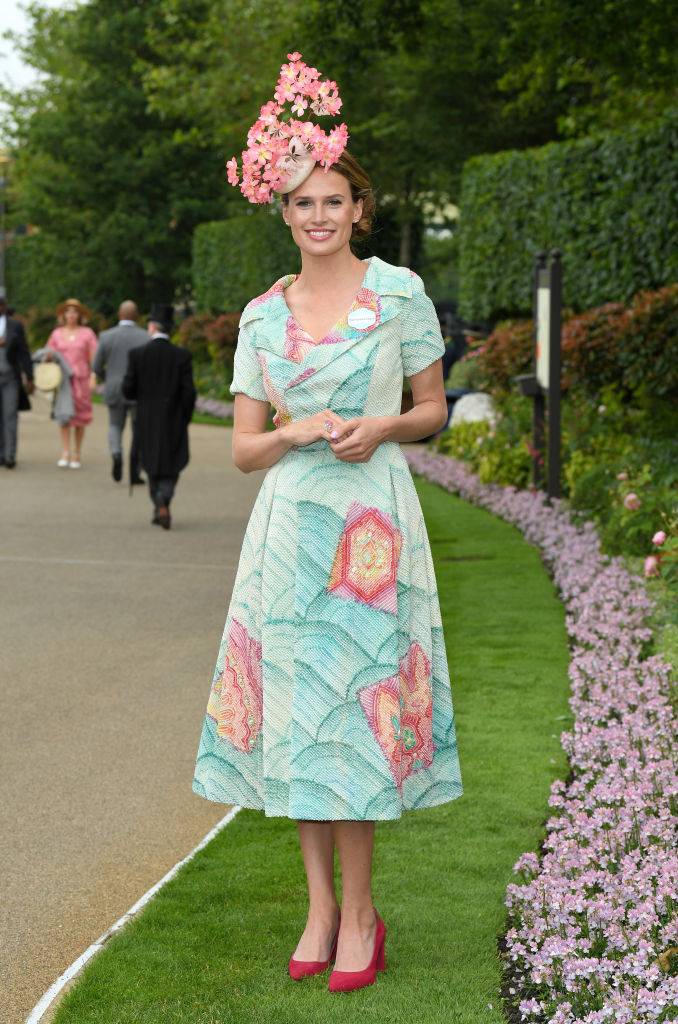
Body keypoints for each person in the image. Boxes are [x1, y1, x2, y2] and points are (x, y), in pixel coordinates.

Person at [192, 52, 463, 994]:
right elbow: (242, 450)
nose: (317, 216)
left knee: (356, 717)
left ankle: (360, 914)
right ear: (284, 211)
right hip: (291, 532)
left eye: (332, 201)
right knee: (302, 722)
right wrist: (298, 430)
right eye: (302, 203)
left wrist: (383, 424)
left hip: (373, 533)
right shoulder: (263, 317)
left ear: (358, 208)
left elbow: (434, 409)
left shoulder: (401, 295)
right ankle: (317, 907)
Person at [122, 303, 196, 529]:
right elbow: (189, 392)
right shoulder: (181, 356)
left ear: (152, 326)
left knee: (150, 461)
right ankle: (165, 497)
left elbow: (128, 389)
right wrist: (184, 416)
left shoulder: (138, 354)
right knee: (173, 461)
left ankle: (159, 500)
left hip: (146, 417)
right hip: (173, 416)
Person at [93, 300, 148, 484]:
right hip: (138, 389)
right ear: (137, 316)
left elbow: (96, 366)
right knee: (138, 430)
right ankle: (135, 471)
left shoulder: (106, 336)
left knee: (115, 425)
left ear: (119, 314)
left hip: (114, 387)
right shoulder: (145, 337)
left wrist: (107, 378)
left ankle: (116, 453)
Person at [45, 298, 98, 468]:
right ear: (63, 315)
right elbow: (48, 352)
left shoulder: (87, 333)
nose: (71, 315)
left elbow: (94, 357)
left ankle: (77, 452)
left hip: (81, 379)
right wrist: (49, 357)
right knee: (64, 415)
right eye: (68, 311)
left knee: (80, 417)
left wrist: (93, 376)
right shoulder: (57, 333)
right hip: (63, 380)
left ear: (80, 315)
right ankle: (65, 451)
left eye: (74, 312)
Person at [0, 296, 34, 469]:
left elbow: (24, 352)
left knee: (10, 415)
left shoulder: (15, 326)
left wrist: (29, 376)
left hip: (10, 377)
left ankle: (10, 455)